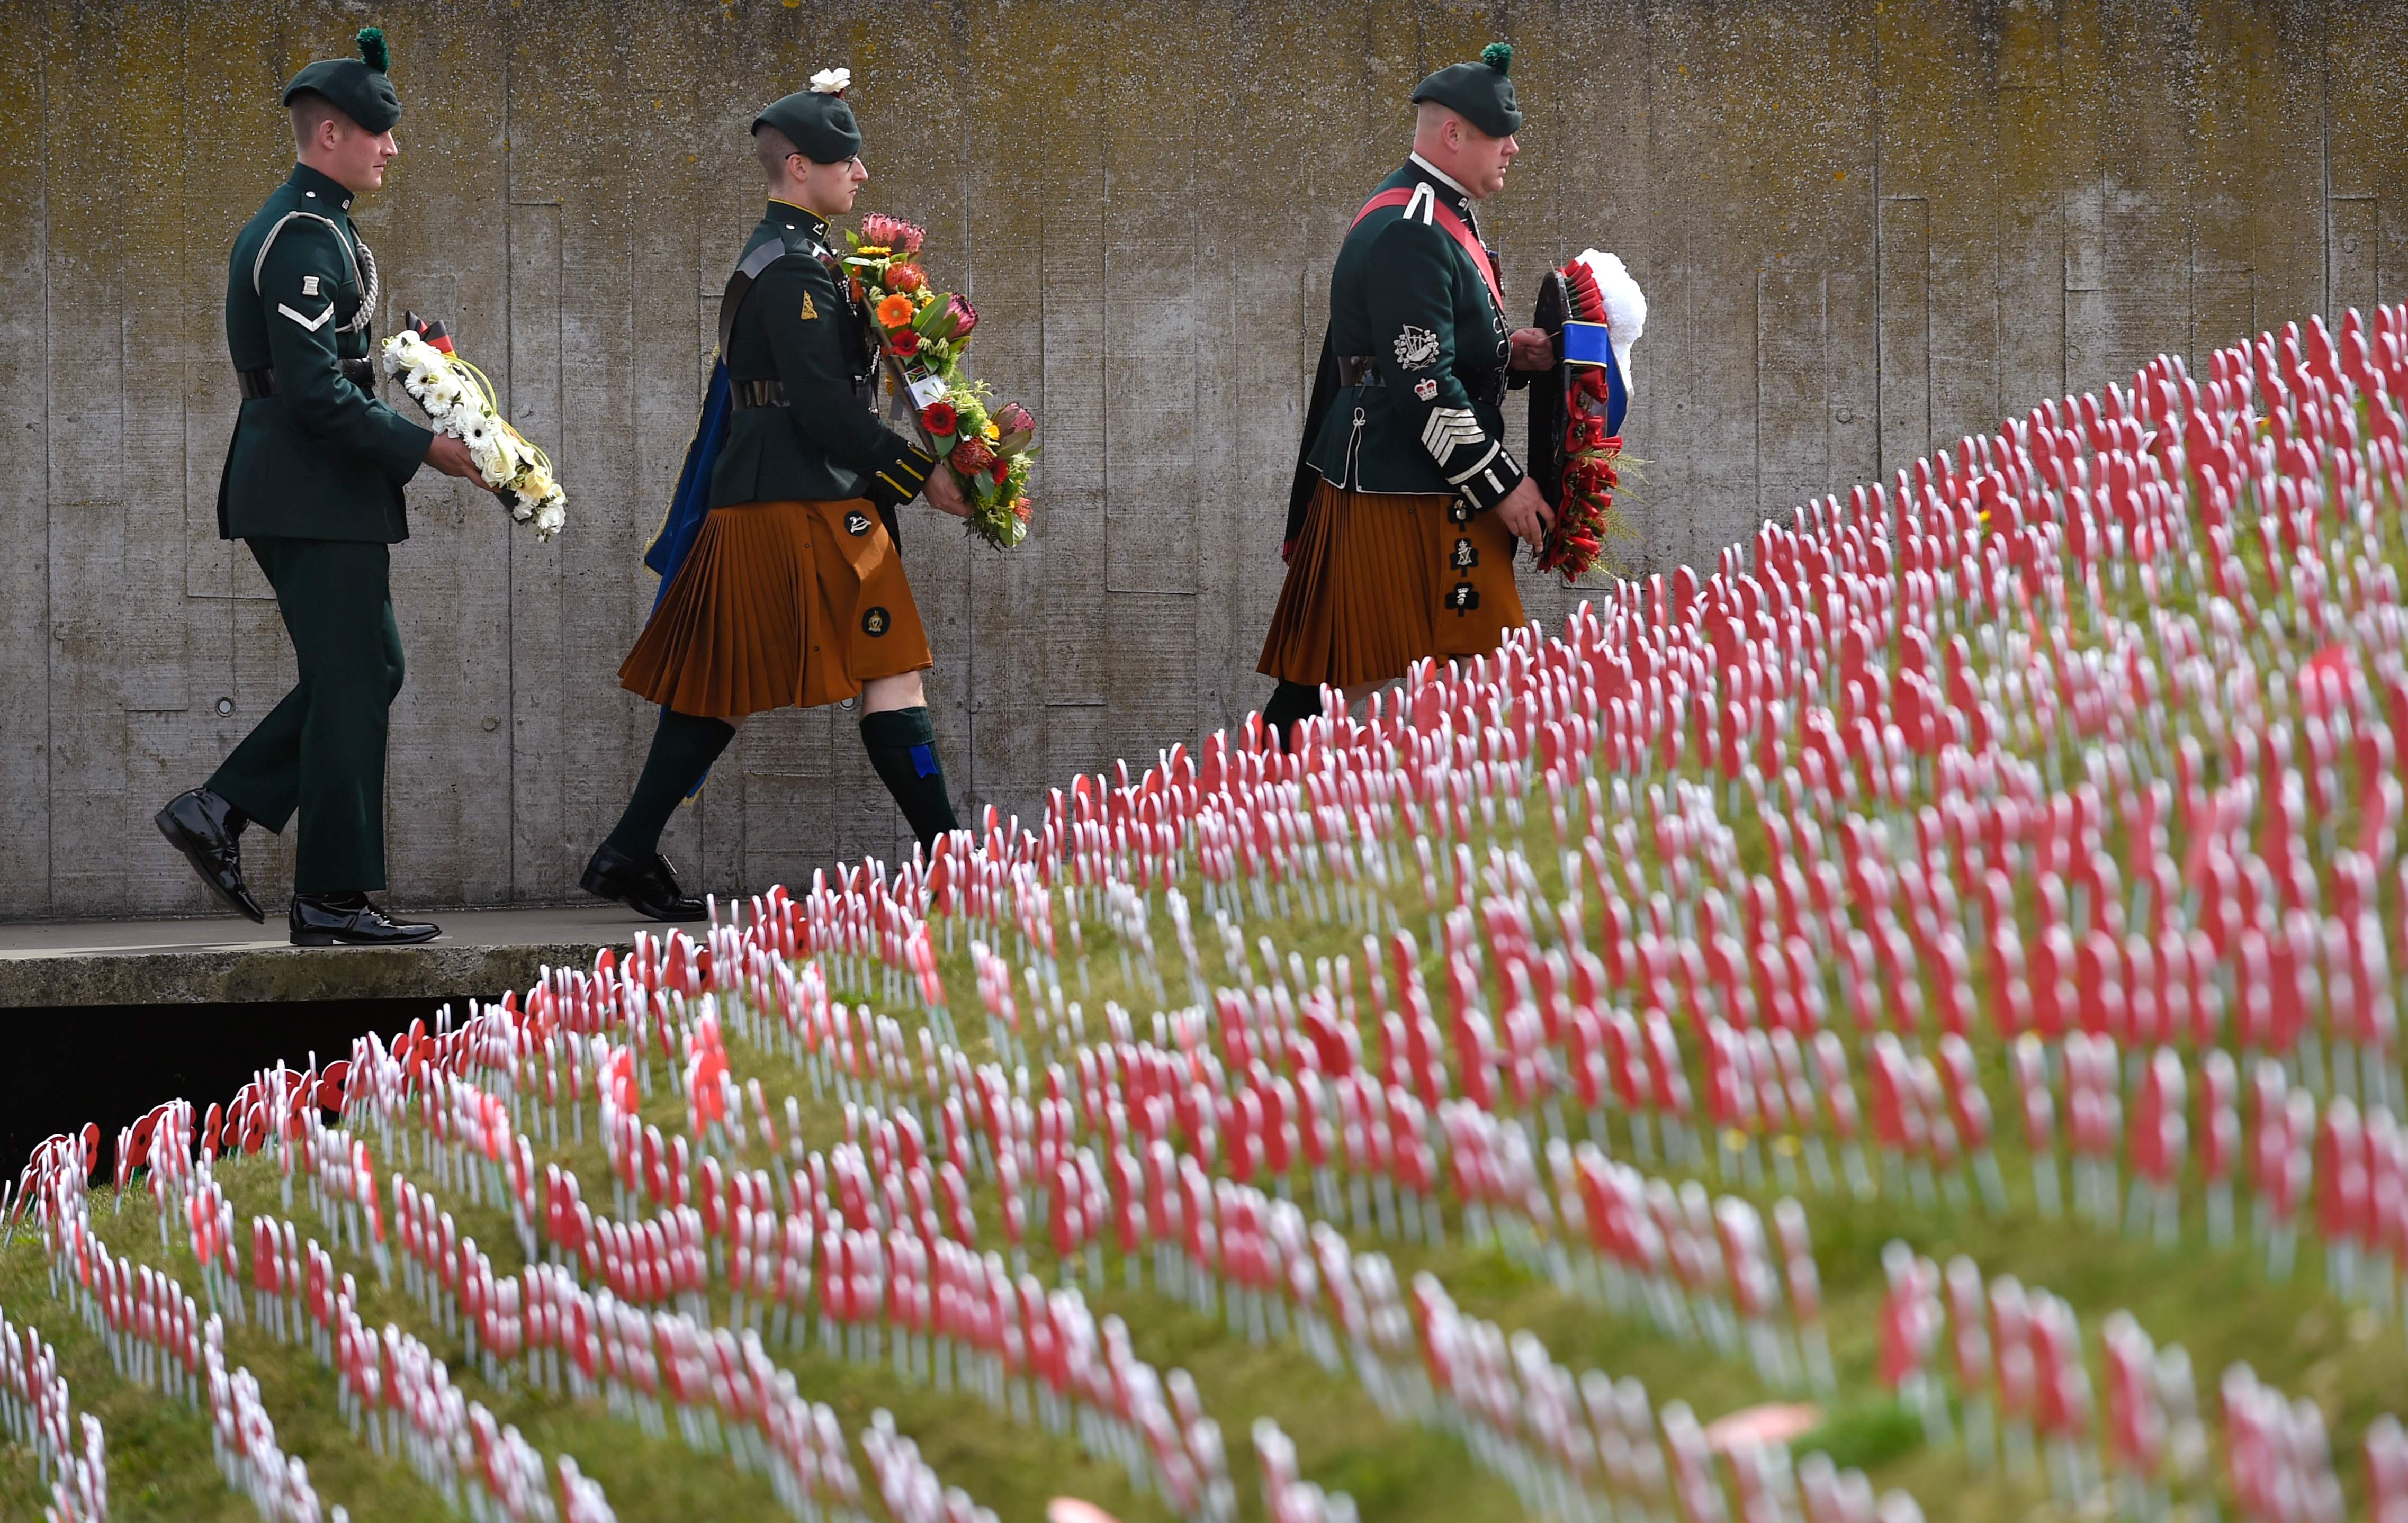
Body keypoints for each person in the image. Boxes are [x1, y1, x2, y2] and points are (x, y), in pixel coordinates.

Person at [581, 70, 971, 922]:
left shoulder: (804, 256)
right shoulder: (794, 270)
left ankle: (626, 853)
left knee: (719, 685)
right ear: (798, 166)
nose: (860, 173)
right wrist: (921, 475)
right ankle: (954, 864)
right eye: (845, 159)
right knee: (891, 671)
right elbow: (826, 409)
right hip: (807, 500)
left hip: (772, 497)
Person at [154, 27, 480, 947]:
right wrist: (425, 451)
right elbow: (313, 392)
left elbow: (332, 361)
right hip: (306, 485)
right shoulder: (303, 232)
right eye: (378, 131)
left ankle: (221, 809)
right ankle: (331, 897)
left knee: (373, 670)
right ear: (329, 133)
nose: (392, 147)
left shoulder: (325, 226)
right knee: (351, 680)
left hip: (314, 484)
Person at [1257, 42, 1557, 745]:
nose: (1512, 147)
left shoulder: (1435, 211)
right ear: (1454, 135)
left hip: (1410, 476)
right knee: (1339, 690)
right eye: (1500, 132)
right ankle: (1248, 824)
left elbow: (1418, 348)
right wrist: (1504, 487)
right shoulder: (1413, 230)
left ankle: (1258, 816)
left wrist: (1509, 354)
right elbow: (1424, 387)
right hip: (1405, 486)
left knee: (1331, 692)